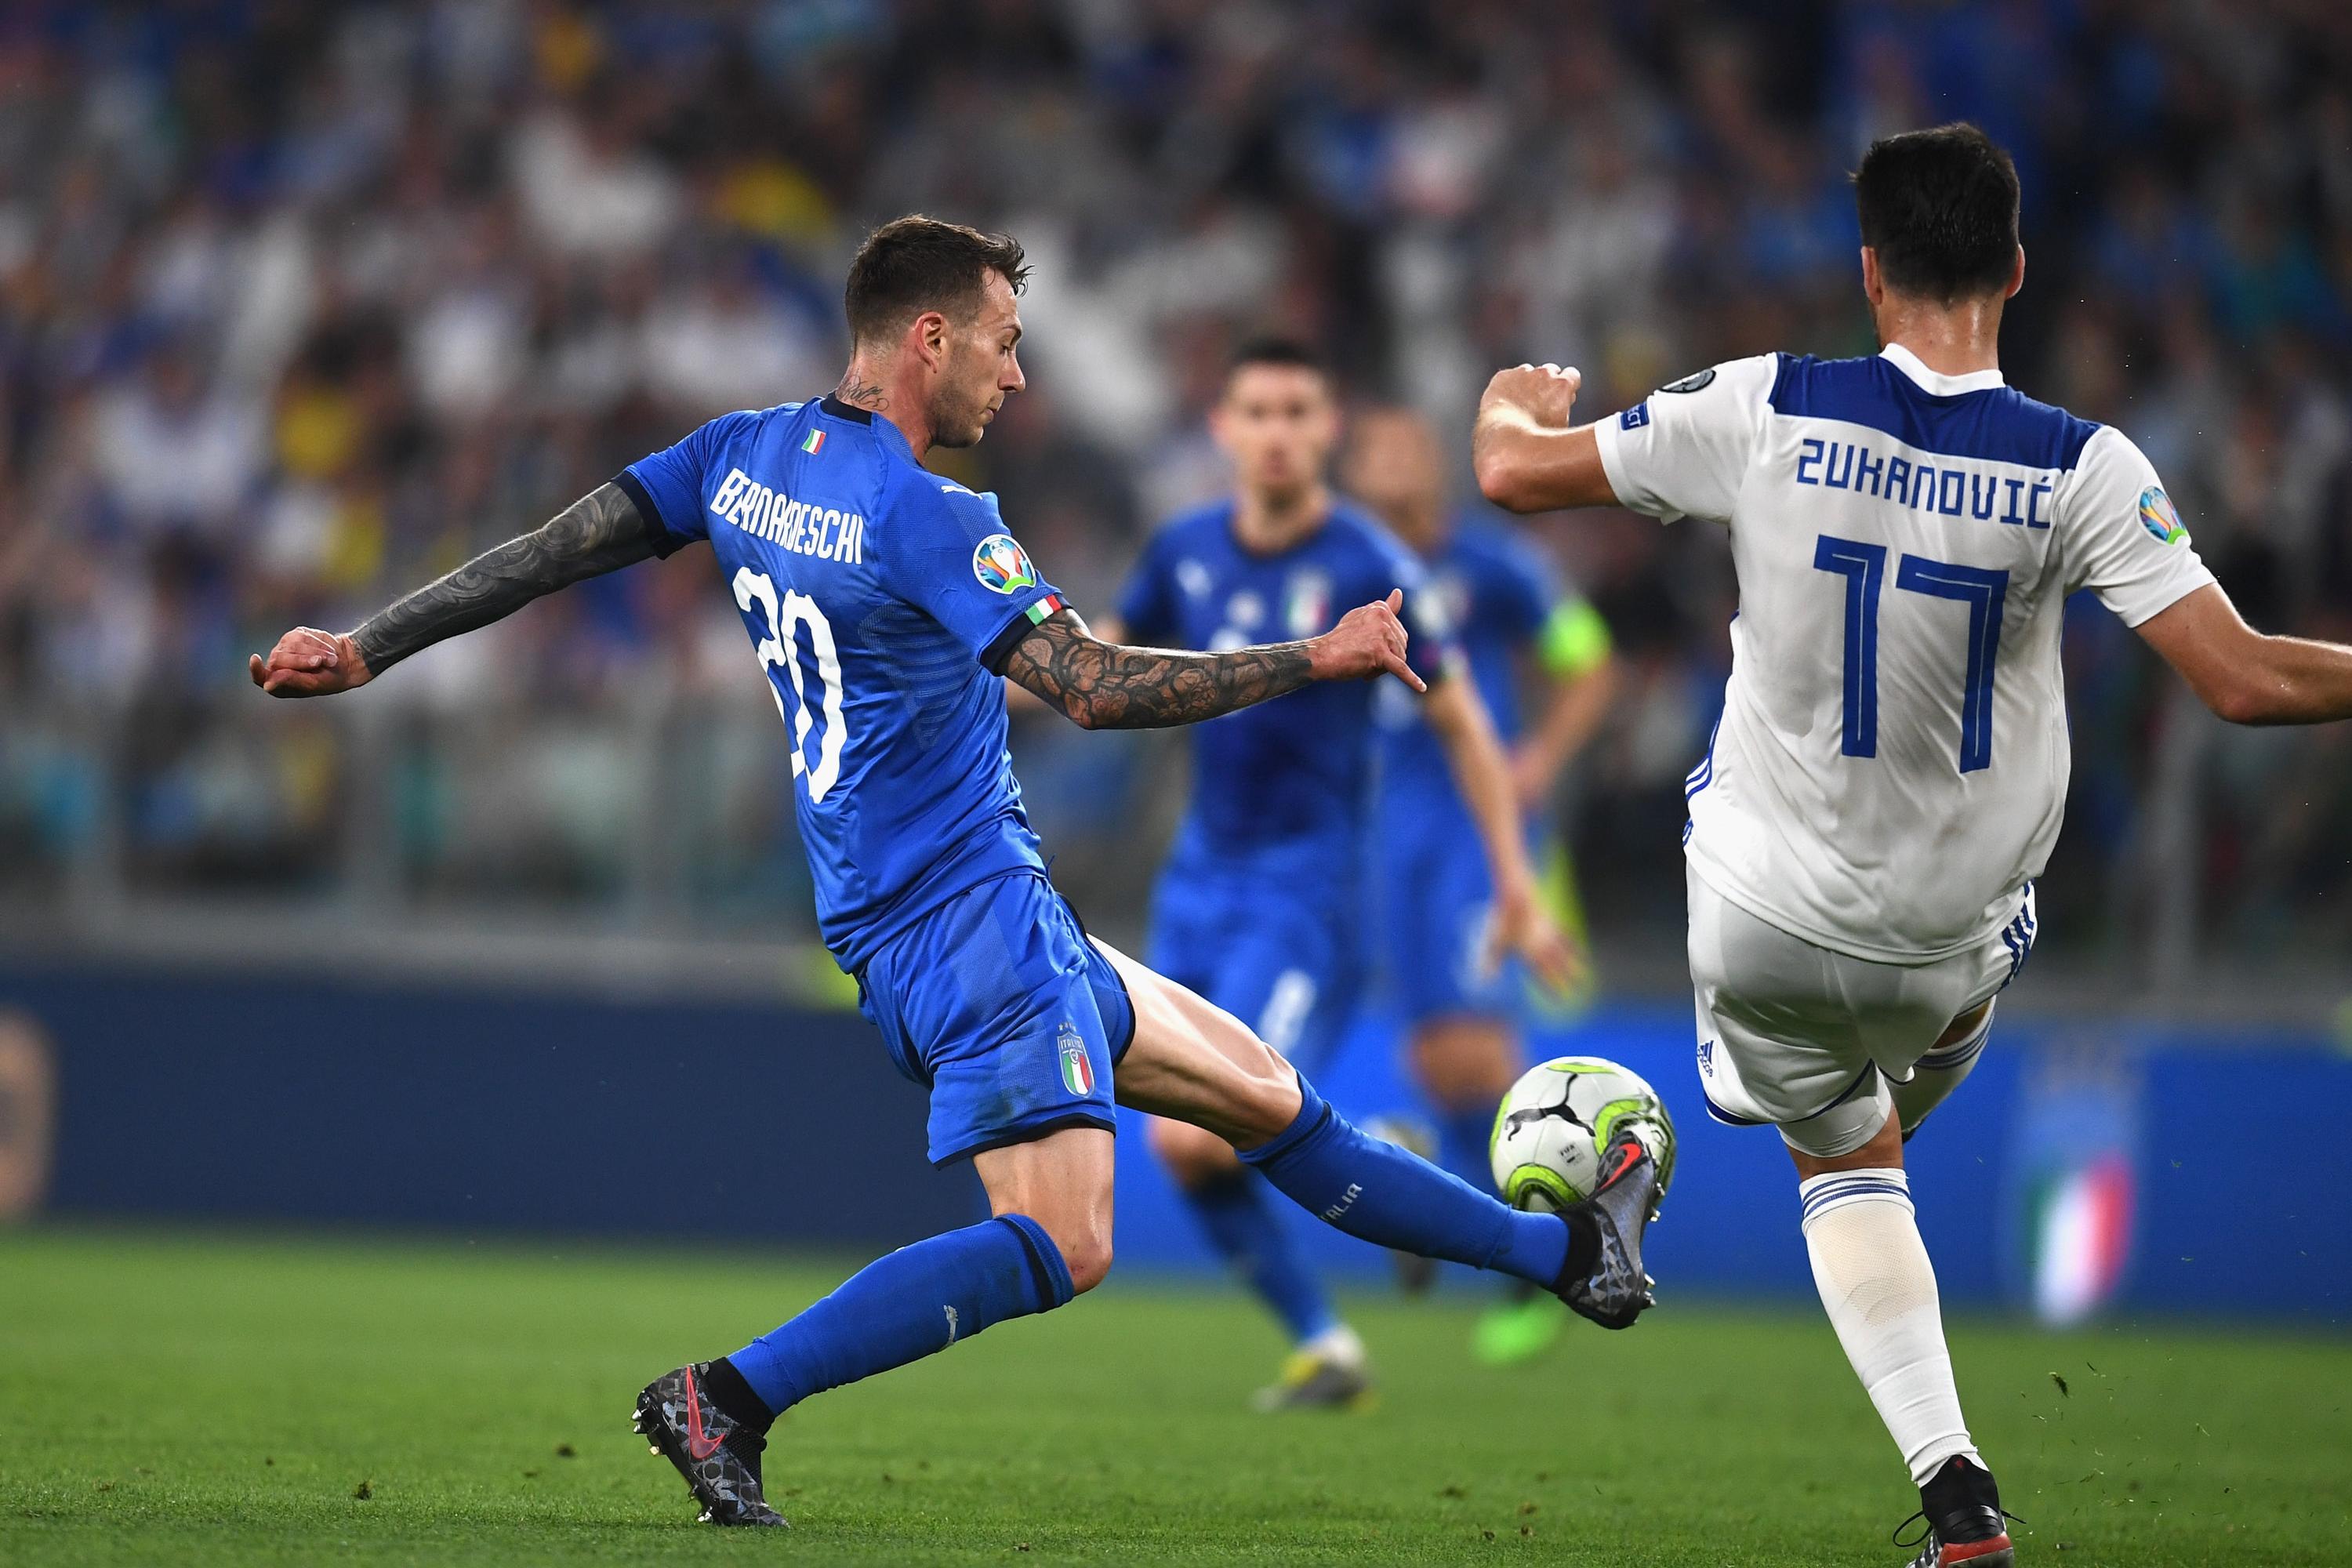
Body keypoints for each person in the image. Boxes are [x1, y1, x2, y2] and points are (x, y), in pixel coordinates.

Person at [249, 216, 1664, 1531]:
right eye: (1001, 338)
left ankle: (1574, 1265)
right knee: (1064, 1243)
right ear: (928, 339)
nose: (1018, 369)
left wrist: (370, 644)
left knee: (1267, 1099)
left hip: (934, 912)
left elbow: (552, 554)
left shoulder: (738, 456)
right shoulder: (936, 514)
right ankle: (724, 1397)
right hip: (972, 922)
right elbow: (1095, 688)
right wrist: (1321, 654)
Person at [1472, 123, 2352, 1568]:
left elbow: (1513, 477)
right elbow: (2244, 679)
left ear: (1869, 272)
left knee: (1816, 1120)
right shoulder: (2083, 465)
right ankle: (1859, 1173)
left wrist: (1510, 405)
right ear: (2016, 268)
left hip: (1756, 917)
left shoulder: (1764, 404)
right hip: (1953, 949)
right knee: (1878, 1105)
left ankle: (1670, 1160)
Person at [1095, 345, 1578, 1410]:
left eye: (1297, 411)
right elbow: (1094, 665)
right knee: (1185, 1152)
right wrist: (967, 670)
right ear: (1222, 427)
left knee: (1206, 1128)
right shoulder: (1182, 549)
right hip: (1197, 884)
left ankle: (1400, 1155)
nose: (1274, 430)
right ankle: (1325, 1343)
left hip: (1306, 892)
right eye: (1255, 409)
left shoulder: (1369, 561)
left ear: (1327, 431)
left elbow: (1465, 724)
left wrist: (1514, 878)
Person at [1341, 405, 1619, 1367]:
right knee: (1432, 1058)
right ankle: (1509, 1230)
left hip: (1473, 831)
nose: (1396, 462)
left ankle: (1565, 1226)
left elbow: (1586, 661)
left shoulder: (1488, 564)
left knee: (1472, 1051)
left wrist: (1537, 755)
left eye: (1410, 446)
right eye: (1380, 448)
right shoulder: (1341, 568)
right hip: (1390, 837)